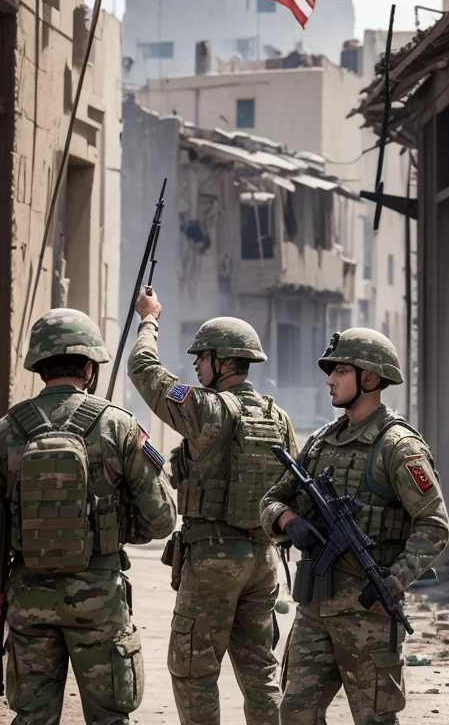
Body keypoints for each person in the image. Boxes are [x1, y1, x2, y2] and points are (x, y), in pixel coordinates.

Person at [0, 308, 176, 725]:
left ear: (40, 366)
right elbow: (162, 520)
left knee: (32, 717)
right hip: (99, 597)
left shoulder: (6, 430)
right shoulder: (119, 426)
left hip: (28, 595)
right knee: (110, 717)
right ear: (89, 367)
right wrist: (111, 527)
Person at [261, 327, 449, 725]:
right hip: (315, 607)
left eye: (340, 371)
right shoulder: (319, 442)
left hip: (369, 614)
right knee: (295, 714)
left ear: (370, 378)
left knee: (374, 720)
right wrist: (288, 520)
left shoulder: (398, 446)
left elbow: (434, 525)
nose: (329, 380)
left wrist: (394, 583)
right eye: (330, 371)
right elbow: (272, 499)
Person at [128, 289, 298, 725]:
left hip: (213, 558)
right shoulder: (277, 417)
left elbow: (144, 370)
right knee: (259, 670)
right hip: (263, 561)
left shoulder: (206, 408)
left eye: (201, 358)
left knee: (193, 670)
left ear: (222, 362)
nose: (195, 366)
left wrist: (150, 320)